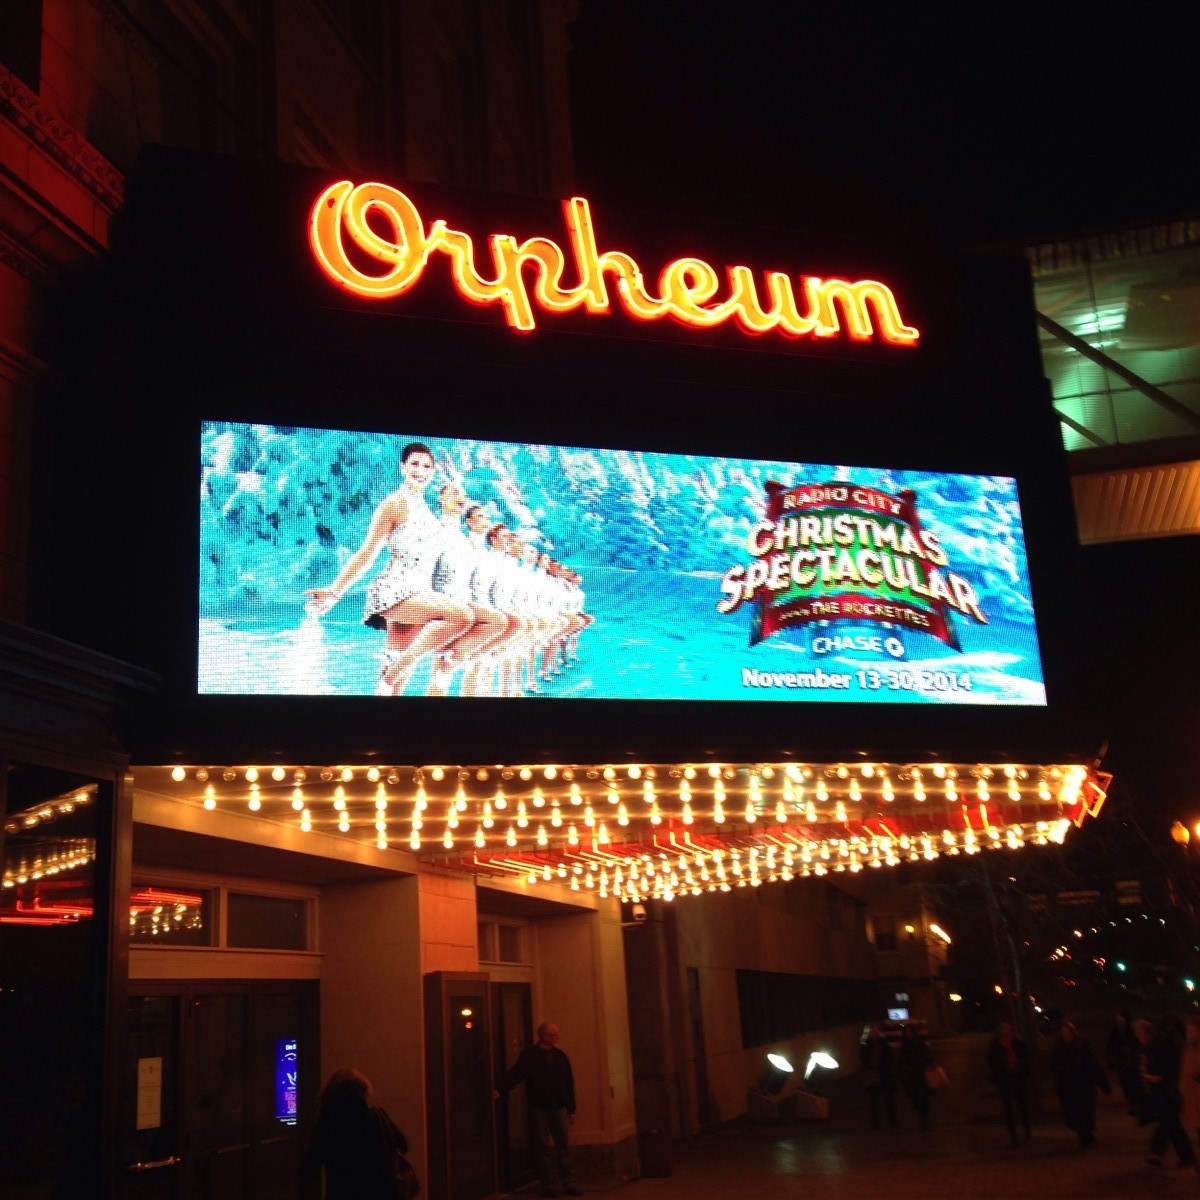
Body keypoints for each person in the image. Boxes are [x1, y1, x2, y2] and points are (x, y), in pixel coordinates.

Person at [305, 441, 472, 695]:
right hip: (395, 592)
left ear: (433, 472)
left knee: (394, 681)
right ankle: (400, 666)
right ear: (403, 467)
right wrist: (335, 591)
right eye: (414, 464)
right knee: (463, 617)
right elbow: (367, 553)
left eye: (427, 466)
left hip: (420, 591)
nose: (420, 470)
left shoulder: (426, 510)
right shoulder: (394, 505)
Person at [496, 1022, 581, 1197]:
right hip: (540, 1107)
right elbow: (516, 1074)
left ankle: (568, 1182)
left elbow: (568, 1083)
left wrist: (571, 1109)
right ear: (545, 1036)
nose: (557, 1038)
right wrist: (501, 1088)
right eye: (554, 1035)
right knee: (543, 1146)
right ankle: (548, 1184)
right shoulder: (531, 1056)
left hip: (558, 1106)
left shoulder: (560, 1057)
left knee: (561, 1145)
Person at [300, 1067, 409, 1200]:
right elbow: (404, 1145)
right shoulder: (376, 1117)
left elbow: (308, 1173)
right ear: (363, 1091)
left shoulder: (328, 1125)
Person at [1136, 1017, 1197, 1168]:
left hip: (1165, 1090)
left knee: (1168, 1122)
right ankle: (1184, 1156)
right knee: (1172, 1124)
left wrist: (1161, 1077)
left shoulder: (1158, 1045)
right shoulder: (1153, 1045)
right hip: (1162, 1090)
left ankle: (1158, 1153)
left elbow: (1173, 1066)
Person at [1048, 1020, 1108, 1148]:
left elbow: (1092, 1065)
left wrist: (1102, 1083)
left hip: (1083, 1085)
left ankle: (1085, 1135)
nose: (1066, 1035)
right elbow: (1054, 1066)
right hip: (1067, 1086)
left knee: (1084, 1111)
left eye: (1068, 1032)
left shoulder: (1081, 1047)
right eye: (1064, 1032)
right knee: (1072, 1112)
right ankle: (1085, 1133)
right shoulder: (1059, 1049)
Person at [987, 1019, 1032, 1147]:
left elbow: (1027, 1060)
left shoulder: (1018, 1044)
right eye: (1004, 1028)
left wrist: (1021, 1067)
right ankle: (1014, 1137)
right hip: (1005, 1080)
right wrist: (998, 1073)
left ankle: (1027, 1132)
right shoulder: (996, 1045)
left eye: (1008, 1028)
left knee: (1022, 1106)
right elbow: (992, 1061)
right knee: (1008, 1109)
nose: (1006, 1031)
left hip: (1018, 1079)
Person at [859, 1023, 898, 1130]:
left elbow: (890, 1058)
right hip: (874, 1075)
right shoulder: (867, 1047)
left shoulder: (883, 1046)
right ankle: (877, 1123)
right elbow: (863, 1059)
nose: (873, 1035)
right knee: (875, 1101)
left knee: (887, 1100)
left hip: (883, 1074)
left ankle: (891, 1121)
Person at [896, 1024, 934, 1131]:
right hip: (910, 1076)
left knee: (923, 1098)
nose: (908, 1034)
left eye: (910, 1032)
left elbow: (928, 1055)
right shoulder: (904, 1047)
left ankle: (924, 1118)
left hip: (921, 1074)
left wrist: (928, 1064)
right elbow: (900, 1062)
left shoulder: (920, 1044)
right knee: (915, 1098)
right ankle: (922, 1115)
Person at [1106, 1011, 1142, 1118]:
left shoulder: (1132, 1032)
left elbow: (1137, 1044)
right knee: (1126, 1086)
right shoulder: (1115, 1032)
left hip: (1132, 1063)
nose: (1120, 1023)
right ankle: (1132, 1104)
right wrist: (1113, 1058)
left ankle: (1138, 1105)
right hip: (1122, 1064)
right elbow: (1110, 1046)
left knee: (1135, 1085)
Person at [1178, 1015, 1200, 1161]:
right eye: (1188, 1031)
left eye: (1192, 1031)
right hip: (1193, 1095)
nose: (1189, 1034)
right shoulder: (1188, 1049)